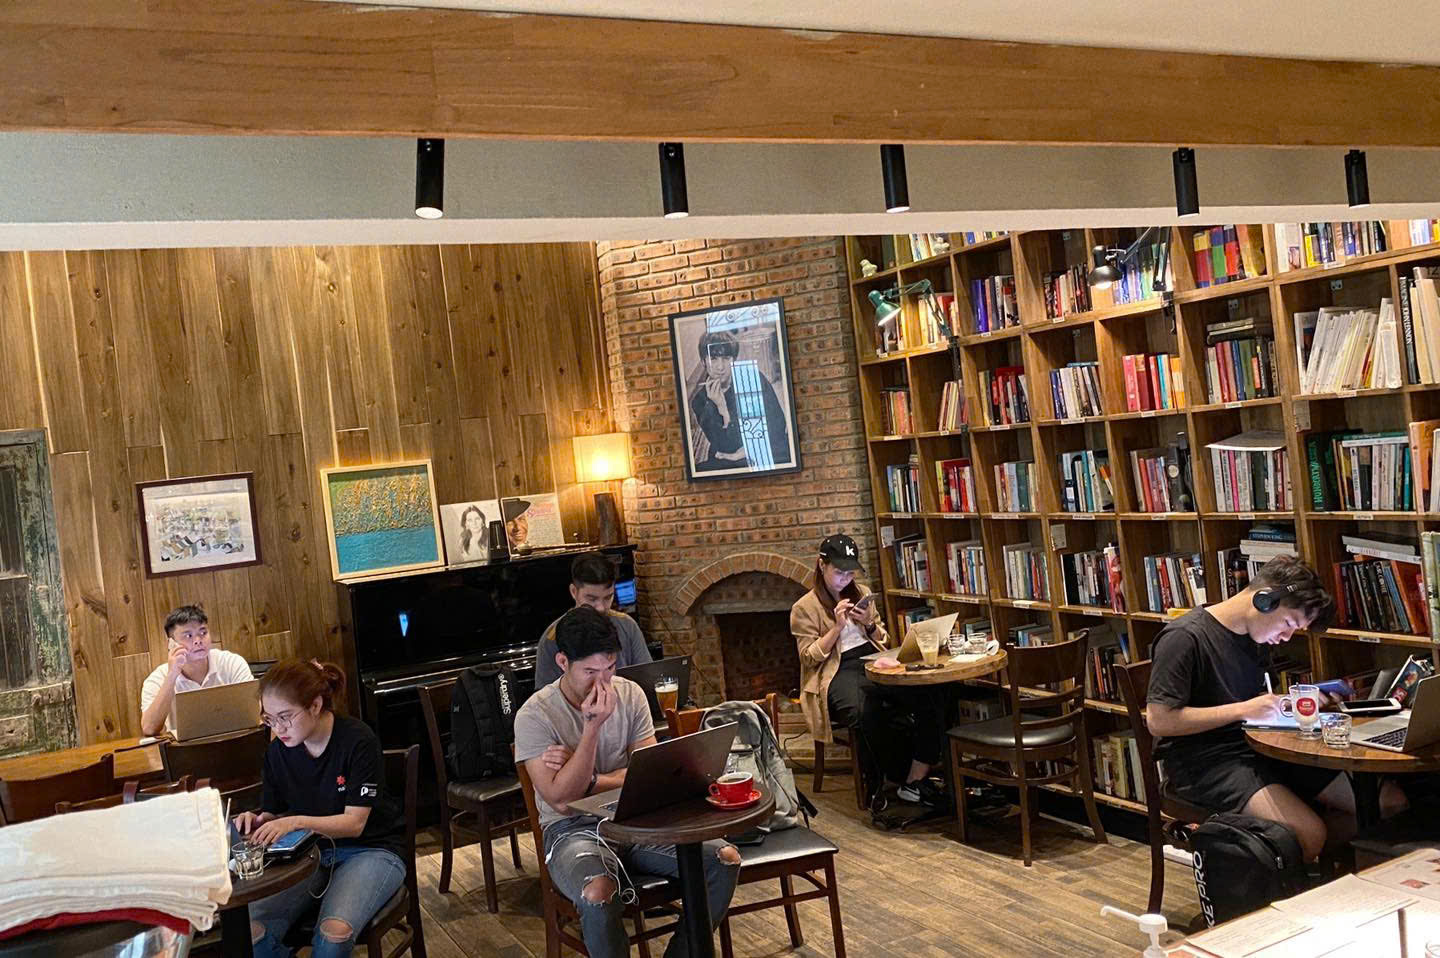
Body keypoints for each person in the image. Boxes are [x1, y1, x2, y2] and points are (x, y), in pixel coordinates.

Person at [513, 607, 741, 958]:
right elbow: (560, 800)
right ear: (562, 662)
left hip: (634, 817)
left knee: (724, 859)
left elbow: (649, 775)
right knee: (598, 894)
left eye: (610, 668)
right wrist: (591, 729)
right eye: (590, 672)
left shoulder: (631, 693)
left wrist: (587, 778)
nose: (602, 683)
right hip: (572, 830)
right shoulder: (534, 715)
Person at [1147, 555, 1406, 862]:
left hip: (1258, 745)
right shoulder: (1184, 637)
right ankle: (1285, 869)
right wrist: (1243, 709)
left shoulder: (1254, 637)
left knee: (1389, 803)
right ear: (1264, 600)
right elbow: (1159, 720)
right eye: (1288, 624)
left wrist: (1288, 704)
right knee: (1309, 833)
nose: (1285, 638)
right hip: (1204, 762)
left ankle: (1307, 867)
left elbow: (1255, 700)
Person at [234, 659, 407, 958]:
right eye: (269, 719)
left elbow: (355, 824)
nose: (278, 728)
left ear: (315, 705)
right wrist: (259, 820)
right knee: (247, 933)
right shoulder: (278, 752)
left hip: (372, 849)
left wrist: (296, 822)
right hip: (308, 855)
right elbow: (276, 813)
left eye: (285, 717)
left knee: (333, 935)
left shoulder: (357, 740)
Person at [790, 533, 947, 806]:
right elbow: (808, 658)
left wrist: (869, 624)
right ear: (821, 565)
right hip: (835, 670)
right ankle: (879, 784)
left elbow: (884, 639)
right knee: (864, 711)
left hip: (874, 660)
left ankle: (915, 778)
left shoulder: (861, 593)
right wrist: (837, 628)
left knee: (930, 693)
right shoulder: (804, 607)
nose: (845, 579)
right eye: (839, 572)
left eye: (850, 573)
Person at [534, 552, 652, 687]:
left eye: (608, 597)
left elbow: (647, 679)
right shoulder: (551, 639)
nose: (601, 608)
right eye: (592, 599)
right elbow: (546, 695)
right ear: (573, 591)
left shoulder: (627, 625)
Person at [687, 329, 792, 473]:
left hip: (765, 446)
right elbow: (725, 446)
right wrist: (721, 408)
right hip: (730, 457)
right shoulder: (700, 401)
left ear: (734, 360)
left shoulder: (752, 378)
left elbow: (778, 425)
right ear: (704, 362)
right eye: (713, 359)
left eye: (726, 358)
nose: (720, 367)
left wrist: (748, 450)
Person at [139, 605, 253, 737]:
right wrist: (172, 676)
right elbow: (149, 729)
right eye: (188, 636)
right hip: (186, 748)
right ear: (171, 643)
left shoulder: (231, 663)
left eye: (203, 633)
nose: (198, 641)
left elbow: (254, 711)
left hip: (233, 740)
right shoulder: (157, 679)